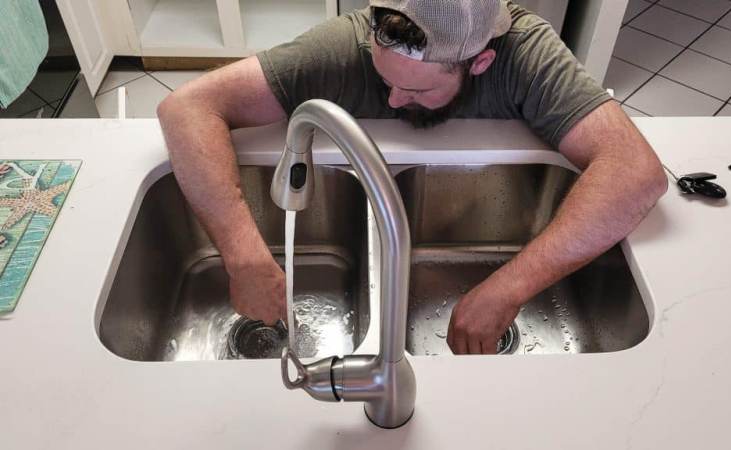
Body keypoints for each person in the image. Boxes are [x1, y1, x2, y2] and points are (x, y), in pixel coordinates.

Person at [157, 0, 667, 355]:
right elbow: (186, 109)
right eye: (384, 81)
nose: (394, 101)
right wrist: (245, 257)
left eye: (419, 92)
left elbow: (635, 173)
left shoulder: (527, 57)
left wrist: (507, 288)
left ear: (482, 61)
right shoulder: (342, 48)